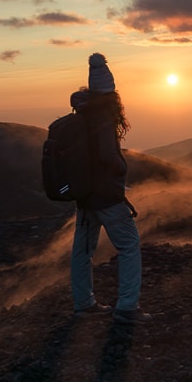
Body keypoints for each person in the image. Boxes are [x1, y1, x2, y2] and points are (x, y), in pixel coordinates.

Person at [70, 52, 152, 324]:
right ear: (111, 90)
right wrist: (121, 168)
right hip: (106, 196)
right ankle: (128, 307)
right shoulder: (103, 115)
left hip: (84, 195)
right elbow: (108, 157)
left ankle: (84, 304)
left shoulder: (81, 114)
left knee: (83, 252)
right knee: (129, 245)